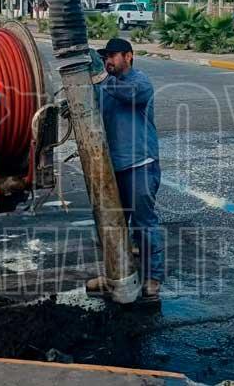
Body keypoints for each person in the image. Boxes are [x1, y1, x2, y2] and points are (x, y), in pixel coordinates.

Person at [86, 38, 164, 299]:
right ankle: (115, 275)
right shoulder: (103, 87)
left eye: (113, 55)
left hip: (140, 165)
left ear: (129, 56)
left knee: (144, 224)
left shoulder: (140, 82)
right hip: (112, 168)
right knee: (110, 226)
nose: (108, 60)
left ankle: (152, 278)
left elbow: (126, 93)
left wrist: (100, 78)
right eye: (105, 57)